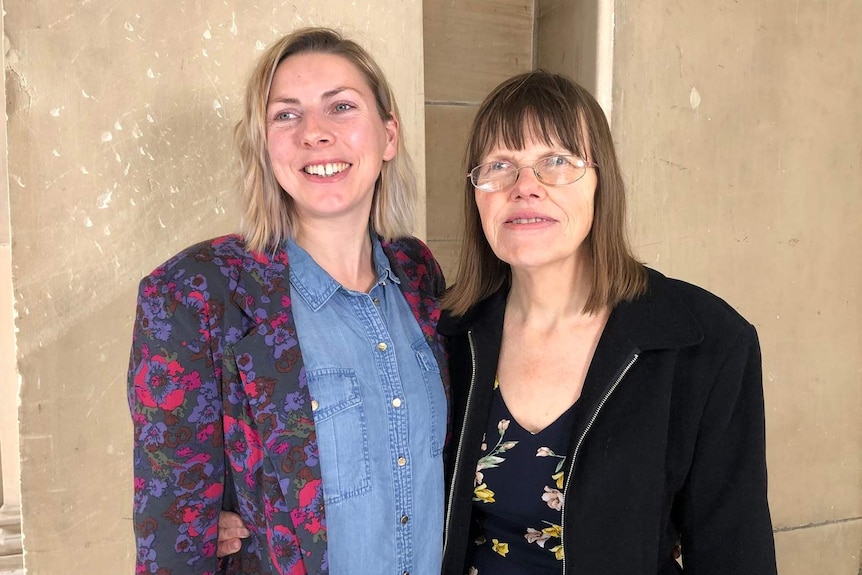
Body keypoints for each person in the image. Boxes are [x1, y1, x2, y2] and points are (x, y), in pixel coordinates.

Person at [128, 27, 448, 575]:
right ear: (264, 145)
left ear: (388, 135)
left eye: (341, 107)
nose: (315, 134)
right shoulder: (196, 293)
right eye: (287, 115)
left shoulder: (418, 274)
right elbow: (173, 536)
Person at [437, 70, 777, 574]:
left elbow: (732, 551)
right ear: (476, 196)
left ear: (602, 182)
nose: (525, 187)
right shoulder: (448, 334)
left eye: (556, 161)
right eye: (500, 166)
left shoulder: (705, 342)